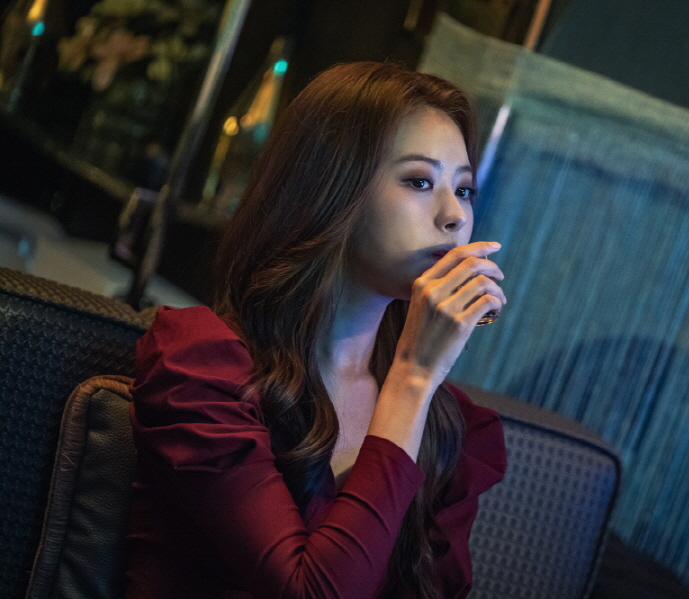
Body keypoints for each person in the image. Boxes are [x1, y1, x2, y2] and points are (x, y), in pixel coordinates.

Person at [125, 62, 508, 599]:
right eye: (420, 181)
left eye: (464, 190)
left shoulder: (451, 426)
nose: (454, 217)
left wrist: (416, 385)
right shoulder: (203, 368)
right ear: (331, 188)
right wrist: (414, 376)